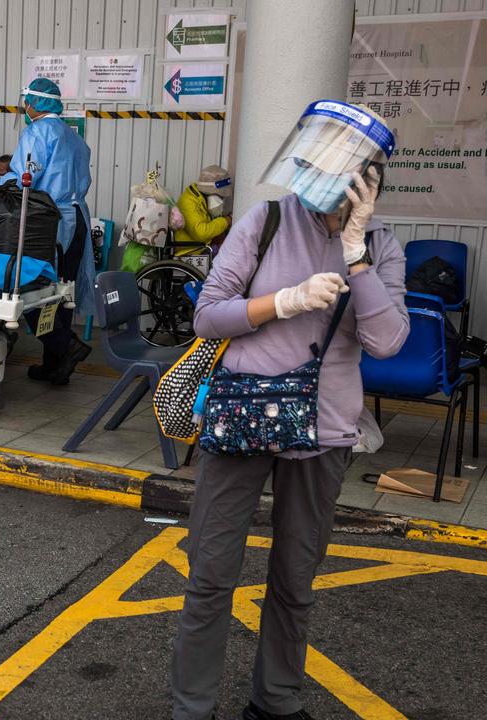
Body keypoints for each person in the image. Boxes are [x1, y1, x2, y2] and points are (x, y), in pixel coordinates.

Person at [172, 101, 409, 720]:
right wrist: (282, 302)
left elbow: (386, 342)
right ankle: (192, 708)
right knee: (210, 576)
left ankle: (275, 700)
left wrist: (356, 255)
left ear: (368, 183)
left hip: (325, 429)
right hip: (244, 416)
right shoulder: (268, 221)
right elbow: (207, 315)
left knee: (296, 581)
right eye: (314, 162)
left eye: (342, 170)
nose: (320, 179)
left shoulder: (382, 247)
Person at [0, 77, 95, 385]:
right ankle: (56, 366)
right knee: (63, 293)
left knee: (35, 289)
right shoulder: (72, 137)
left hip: (51, 221)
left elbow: (24, 178)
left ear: (33, 104)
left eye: (26, 102)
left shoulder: (38, 132)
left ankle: (66, 346)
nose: (25, 107)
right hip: (77, 220)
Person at [175, 165, 233, 256]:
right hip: (191, 250)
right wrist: (226, 220)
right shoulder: (189, 202)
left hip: (201, 245)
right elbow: (200, 233)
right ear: (210, 192)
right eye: (219, 195)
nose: (221, 199)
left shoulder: (200, 199)